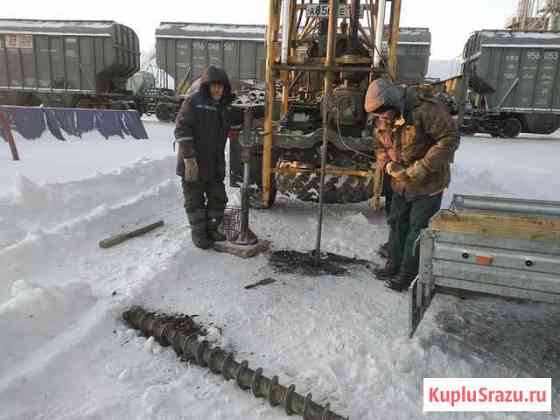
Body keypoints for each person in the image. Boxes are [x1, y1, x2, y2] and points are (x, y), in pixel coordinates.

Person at [365, 78, 460, 291]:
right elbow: (378, 144)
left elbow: (450, 138)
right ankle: (393, 264)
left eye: (385, 113)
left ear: (395, 103)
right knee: (397, 223)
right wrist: (388, 165)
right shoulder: (382, 117)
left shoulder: (426, 110)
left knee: (417, 228)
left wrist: (424, 167)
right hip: (401, 183)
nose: (382, 119)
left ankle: (408, 274)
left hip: (428, 183)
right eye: (378, 115)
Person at [174, 66, 233, 249]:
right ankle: (199, 235)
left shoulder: (224, 106)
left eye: (221, 87)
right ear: (206, 86)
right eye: (213, 86)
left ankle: (212, 229)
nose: (217, 90)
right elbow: (182, 129)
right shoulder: (194, 102)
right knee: (195, 201)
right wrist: (189, 159)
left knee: (218, 198)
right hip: (194, 163)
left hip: (214, 163)